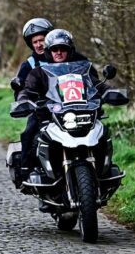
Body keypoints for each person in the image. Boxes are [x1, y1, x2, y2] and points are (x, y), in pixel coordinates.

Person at [15, 29, 102, 185]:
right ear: (49, 51)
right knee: (30, 134)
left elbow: (97, 85)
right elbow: (27, 90)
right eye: (55, 49)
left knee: (103, 131)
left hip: (80, 111)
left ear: (70, 50)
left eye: (63, 49)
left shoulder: (84, 66)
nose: (59, 52)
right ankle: (25, 170)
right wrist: (23, 100)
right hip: (49, 113)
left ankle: (103, 169)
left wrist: (111, 93)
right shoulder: (38, 71)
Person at [10, 18, 54, 99]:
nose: (38, 45)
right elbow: (20, 91)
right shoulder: (28, 64)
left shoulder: (61, 57)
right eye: (35, 42)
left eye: (41, 40)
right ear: (31, 44)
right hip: (41, 108)